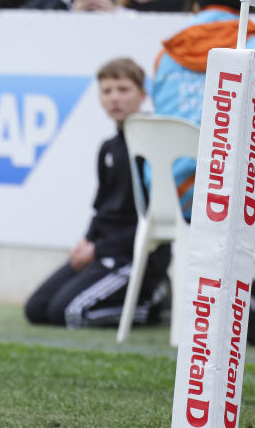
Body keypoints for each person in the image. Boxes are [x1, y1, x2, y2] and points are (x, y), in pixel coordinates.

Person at [152, 0, 255, 347]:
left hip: (174, 197)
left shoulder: (166, 54)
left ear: (197, 2)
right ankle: (253, 306)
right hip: (234, 195)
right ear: (249, 2)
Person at [25, 58, 170, 327]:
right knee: (37, 309)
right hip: (102, 252)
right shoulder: (108, 148)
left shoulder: (154, 145)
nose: (114, 98)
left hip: (134, 258)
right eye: (107, 91)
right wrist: (87, 241)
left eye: (123, 89)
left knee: (68, 314)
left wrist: (98, 248)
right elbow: (103, 209)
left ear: (143, 94)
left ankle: (154, 305)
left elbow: (153, 218)